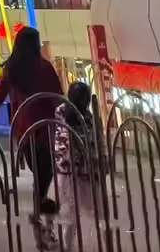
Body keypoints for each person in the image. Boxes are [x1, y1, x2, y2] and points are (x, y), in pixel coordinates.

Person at [0, 26, 63, 250]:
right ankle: (41, 214)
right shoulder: (45, 68)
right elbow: (58, 96)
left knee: (40, 172)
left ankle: (40, 215)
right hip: (46, 129)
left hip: (24, 131)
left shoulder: (12, 69)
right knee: (45, 173)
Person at [54, 82, 101, 251]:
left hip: (86, 171)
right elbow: (63, 143)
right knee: (71, 213)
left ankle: (103, 242)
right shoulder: (63, 114)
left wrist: (99, 160)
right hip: (69, 172)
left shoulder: (89, 117)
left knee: (95, 210)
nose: (84, 104)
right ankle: (67, 245)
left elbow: (96, 140)